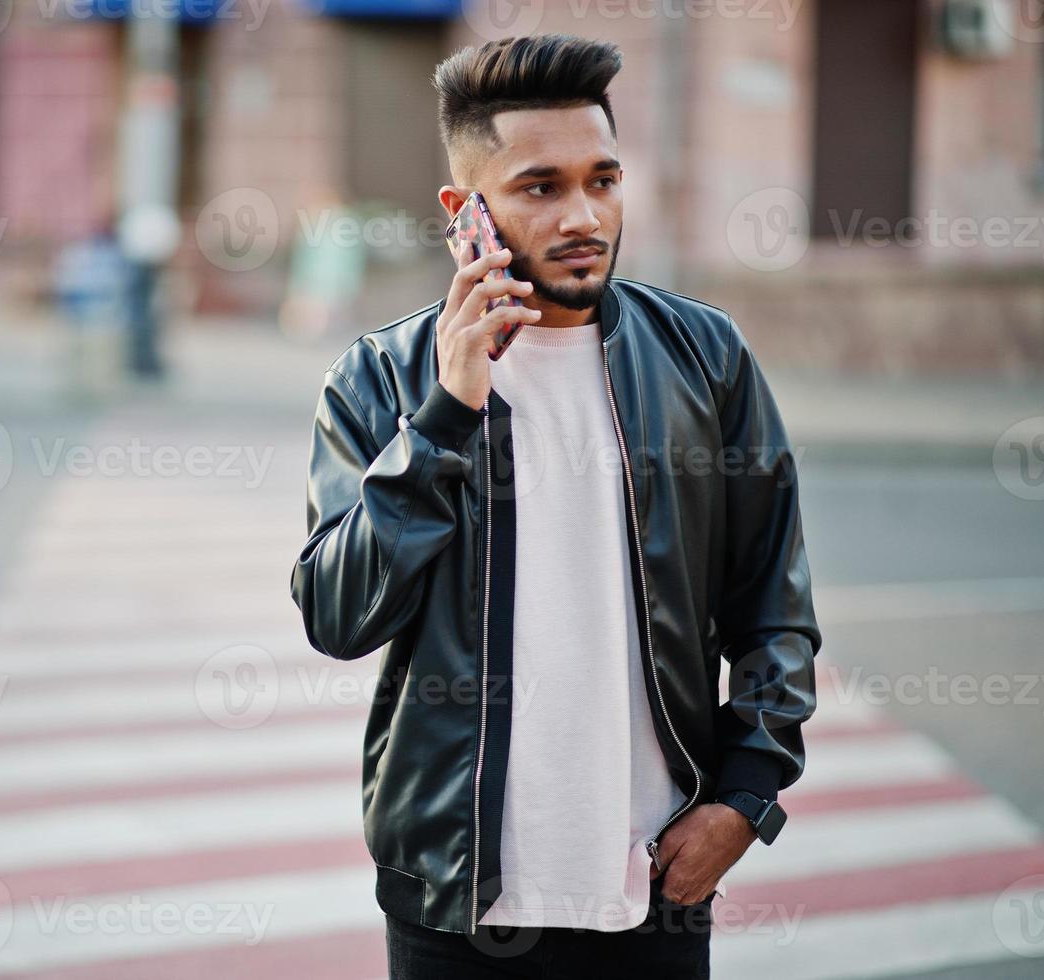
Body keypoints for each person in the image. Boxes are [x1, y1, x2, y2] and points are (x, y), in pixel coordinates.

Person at [288, 34, 821, 978]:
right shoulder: (379, 379)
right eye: (540, 187)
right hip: (452, 901)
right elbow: (337, 616)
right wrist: (446, 416)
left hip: (653, 886)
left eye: (603, 179)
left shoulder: (705, 358)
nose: (584, 215)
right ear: (467, 213)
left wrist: (745, 796)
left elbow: (771, 604)